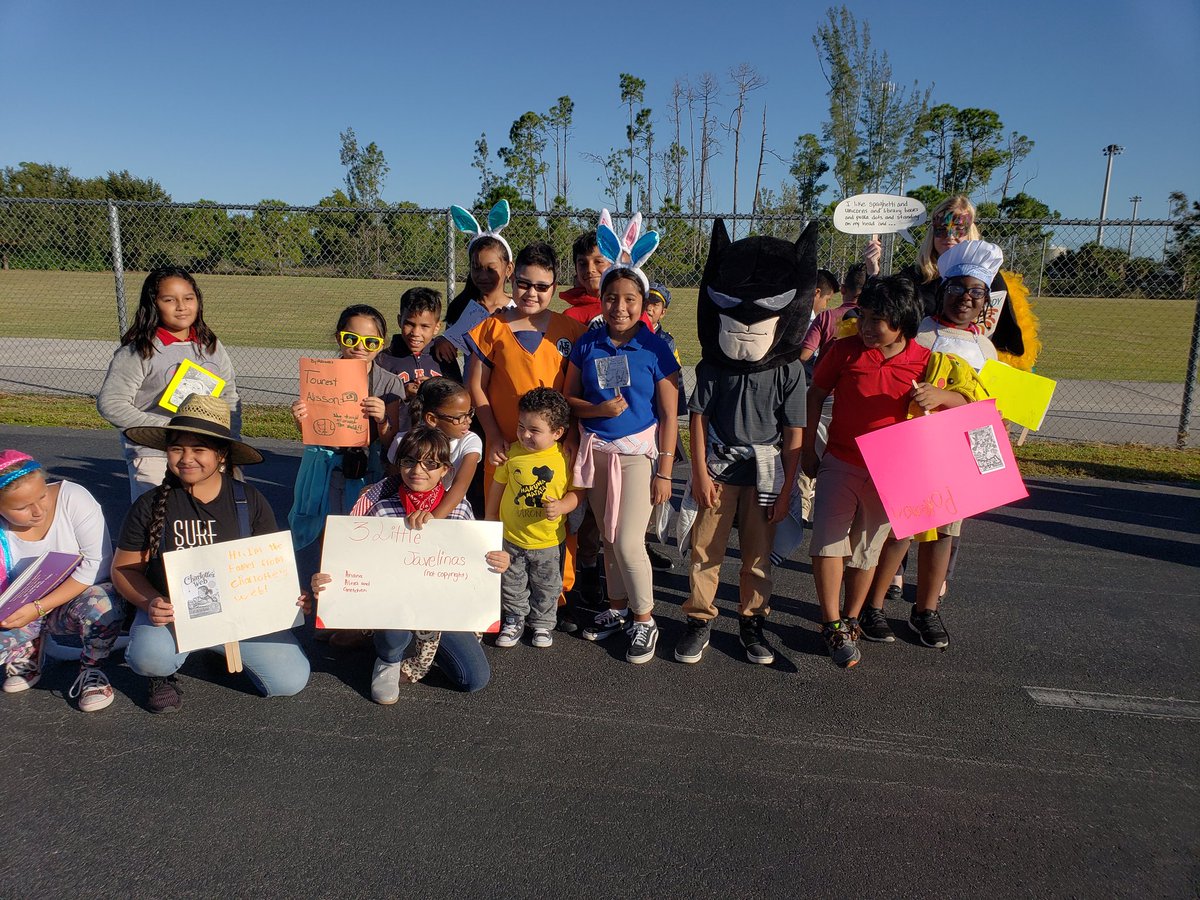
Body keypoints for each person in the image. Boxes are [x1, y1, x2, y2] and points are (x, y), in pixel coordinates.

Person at [803, 275, 966, 669]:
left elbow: (971, 406)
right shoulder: (843, 351)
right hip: (841, 462)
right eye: (864, 316)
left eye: (879, 320)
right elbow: (815, 394)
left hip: (890, 472)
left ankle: (852, 616)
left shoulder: (929, 362)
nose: (867, 327)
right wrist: (809, 447)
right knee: (827, 540)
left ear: (905, 323)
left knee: (865, 550)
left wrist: (941, 396)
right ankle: (832, 624)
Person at [112, 395, 310, 712]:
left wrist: (291, 596)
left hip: (240, 618)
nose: (186, 458)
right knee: (149, 657)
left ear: (220, 455)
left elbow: (272, 568)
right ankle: (160, 676)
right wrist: (151, 602)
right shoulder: (150, 504)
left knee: (290, 680)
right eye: (177, 448)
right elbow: (124, 569)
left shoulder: (249, 500)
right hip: (175, 616)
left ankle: (220, 648)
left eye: (199, 449)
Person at [674, 219, 813, 667]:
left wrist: (789, 487)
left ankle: (753, 622)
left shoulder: (788, 369)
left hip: (766, 473)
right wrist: (698, 471)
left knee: (757, 555)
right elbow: (698, 417)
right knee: (706, 550)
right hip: (719, 467)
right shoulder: (716, 364)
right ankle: (699, 619)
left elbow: (794, 432)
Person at [857, 241, 1003, 648]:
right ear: (942, 291)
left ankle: (925, 610)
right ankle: (873, 606)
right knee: (901, 527)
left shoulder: (985, 348)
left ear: (986, 303)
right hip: (910, 446)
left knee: (943, 532)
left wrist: (947, 398)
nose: (966, 299)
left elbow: (984, 399)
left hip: (955, 450)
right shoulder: (920, 333)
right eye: (958, 289)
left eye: (977, 293)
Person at [308, 426, 508, 703]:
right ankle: (388, 660)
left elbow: (473, 564)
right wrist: (329, 581)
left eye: (430, 463)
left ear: (445, 470)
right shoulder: (381, 509)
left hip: (442, 607)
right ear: (399, 465)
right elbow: (355, 561)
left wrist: (497, 561)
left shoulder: (461, 510)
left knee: (473, 679)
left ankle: (390, 639)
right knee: (395, 617)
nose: (418, 470)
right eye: (409, 461)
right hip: (393, 606)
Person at [566, 214, 680, 664]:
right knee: (610, 539)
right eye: (611, 298)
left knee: (630, 541)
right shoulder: (588, 344)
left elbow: (671, 414)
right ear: (601, 300)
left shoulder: (655, 348)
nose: (619, 307)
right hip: (597, 452)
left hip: (636, 457)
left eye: (630, 299)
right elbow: (567, 400)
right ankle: (617, 608)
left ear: (642, 301)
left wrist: (666, 470)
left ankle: (645, 619)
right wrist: (598, 410)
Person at [97, 266, 242, 501]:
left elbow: (229, 395)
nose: (182, 306)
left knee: (225, 519)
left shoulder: (211, 344)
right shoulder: (139, 350)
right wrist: (168, 430)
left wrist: (230, 442)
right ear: (154, 304)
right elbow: (111, 404)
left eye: (188, 298)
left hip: (209, 452)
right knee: (158, 523)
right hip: (155, 453)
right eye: (169, 300)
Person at [0, 451, 125, 712]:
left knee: (104, 601)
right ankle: (29, 650)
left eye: (42, 495)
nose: (38, 511)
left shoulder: (72, 498)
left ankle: (92, 668)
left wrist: (38, 608)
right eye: (22, 507)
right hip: (19, 607)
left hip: (72, 600)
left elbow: (97, 564)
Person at [288, 304, 405, 577]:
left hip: (368, 471)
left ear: (381, 344)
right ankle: (328, 605)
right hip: (324, 470)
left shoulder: (389, 384)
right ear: (339, 337)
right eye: (351, 338)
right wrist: (300, 418)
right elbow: (313, 431)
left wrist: (382, 420)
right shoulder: (320, 375)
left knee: (362, 539)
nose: (360, 347)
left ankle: (360, 599)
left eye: (370, 341)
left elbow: (392, 444)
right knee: (326, 536)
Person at [862, 194, 1039, 370]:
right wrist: (873, 272)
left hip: (971, 368)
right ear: (932, 232)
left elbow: (1000, 338)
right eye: (942, 229)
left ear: (970, 231)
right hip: (915, 365)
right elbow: (882, 316)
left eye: (959, 229)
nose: (950, 236)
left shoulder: (991, 280)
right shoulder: (913, 277)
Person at [466, 241, 585, 490]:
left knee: (550, 521)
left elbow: (578, 392)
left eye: (541, 286)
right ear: (512, 279)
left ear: (554, 288)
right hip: (506, 448)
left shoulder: (571, 331)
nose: (532, 293)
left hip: (552, 451)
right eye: (524, 283)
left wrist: (572, 433)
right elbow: (476, 385)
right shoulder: (491, 329)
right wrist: (493, 434)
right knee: (500, 519)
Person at [487, 389, 581, 650]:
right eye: (521, 427)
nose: (525, 434)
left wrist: (562, 506)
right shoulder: (511, 454)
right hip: (512, 537)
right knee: (512, 581)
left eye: (534, 430)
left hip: (549, 541)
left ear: (558, 432)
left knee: (548, 585)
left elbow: (577, 495)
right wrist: (491, 518)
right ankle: (515, 619)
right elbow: (497, 487)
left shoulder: (564, 458)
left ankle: (543, 622)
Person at [397, 377, 482, 520]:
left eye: (469, 413)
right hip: (404, 515)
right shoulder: (404, 440)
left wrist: (433, 521)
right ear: (432, 419)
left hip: (450, 514)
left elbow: (461, 485)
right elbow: (395, 480)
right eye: (460, 417)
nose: (468, 420)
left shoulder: (469, 440)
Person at [377, 286, 462, 394]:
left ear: (436, 327)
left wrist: (434, 387)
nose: (415, 333)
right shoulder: (383, 359)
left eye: (424, 326)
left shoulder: (444, 356)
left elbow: (459, 395)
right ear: (399, 320)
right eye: (409, 324)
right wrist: (402, 393)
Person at [799, 263, 867, 364]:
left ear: (843, 289)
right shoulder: (871, 321)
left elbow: (804, 356)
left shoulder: (826, 317)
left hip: (825, 376)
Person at [560, 230, 608, 326]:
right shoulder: (571, 317)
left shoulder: (629, 307)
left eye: (598, 262)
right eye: (582, 264)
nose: (590, 269)